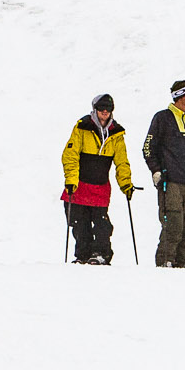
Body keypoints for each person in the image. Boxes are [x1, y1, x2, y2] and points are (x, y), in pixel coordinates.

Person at [143, 80, 185, 268]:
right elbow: (148, 148)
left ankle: (182, 261)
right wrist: (156, 171)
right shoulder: (162, 118)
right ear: (181, 96)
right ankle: (166, 260)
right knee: (173, 223)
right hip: (171, 180)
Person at [62, 93, 134, 264]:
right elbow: (70, 155)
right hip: (80, 185)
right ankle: (83, 254)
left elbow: (122, 161)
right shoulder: (82, 128)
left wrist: (126, 184)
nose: (104, 112)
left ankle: (101, 253)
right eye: (101, 108)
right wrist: (71, 180)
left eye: (108, 109)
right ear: (94, 109)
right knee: (80, 223)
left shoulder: (116, 133)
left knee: (102, 223)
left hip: (100, 187)